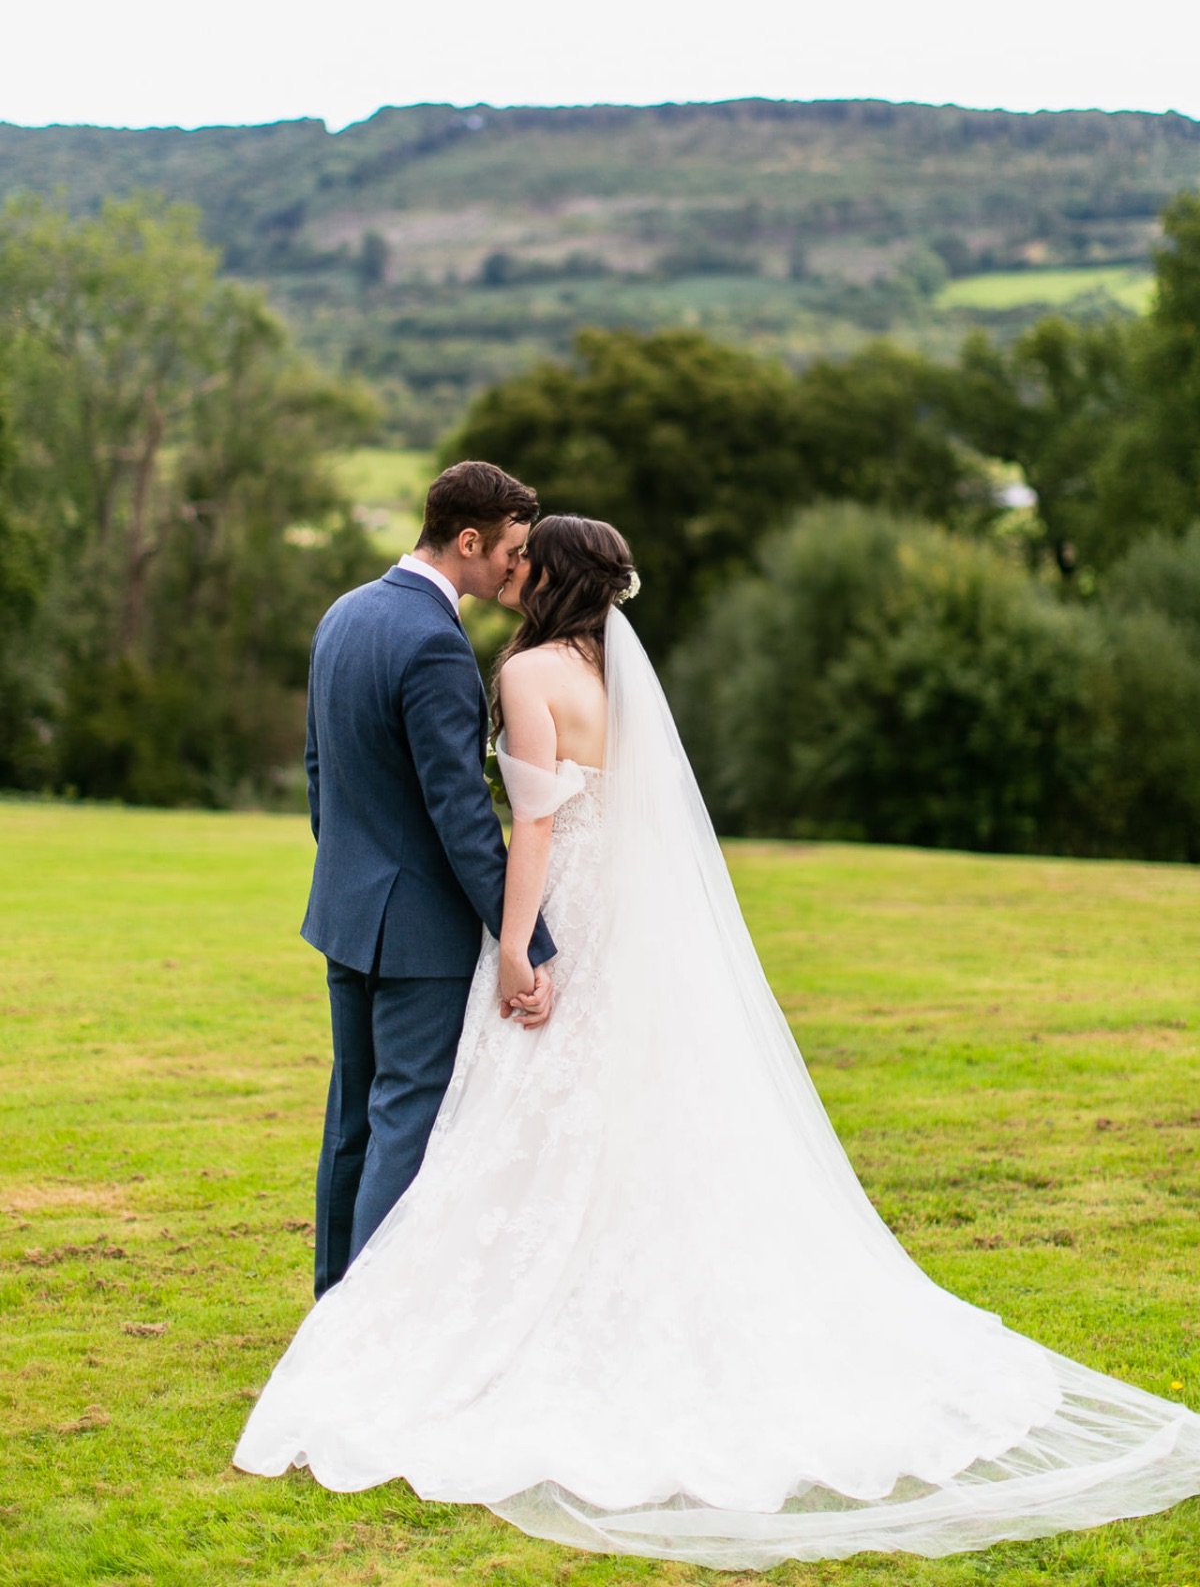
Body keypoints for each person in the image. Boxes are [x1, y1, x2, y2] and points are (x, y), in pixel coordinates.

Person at [236, 514, 1200, 1568]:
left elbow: (538, 828)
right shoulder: (610, 674)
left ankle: (397, 1327)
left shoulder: (525, 675)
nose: (514, 573)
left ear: (551, 576)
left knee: (504, 1115)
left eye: (528, 562)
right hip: (627, 921)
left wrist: (518, 945)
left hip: (563, 913)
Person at [300, 460, 555, 1301]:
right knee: (403, 1126)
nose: (517, 568)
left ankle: (331, 1308)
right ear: (469, 541)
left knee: (350, 1126)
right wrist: (527, 940)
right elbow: (463, 818)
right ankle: (365, 1334)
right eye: (511, 551)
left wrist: (349, 875)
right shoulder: (438, 646)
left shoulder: (344, 614)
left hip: (345, 912)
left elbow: (318, 773)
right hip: (419, 935)